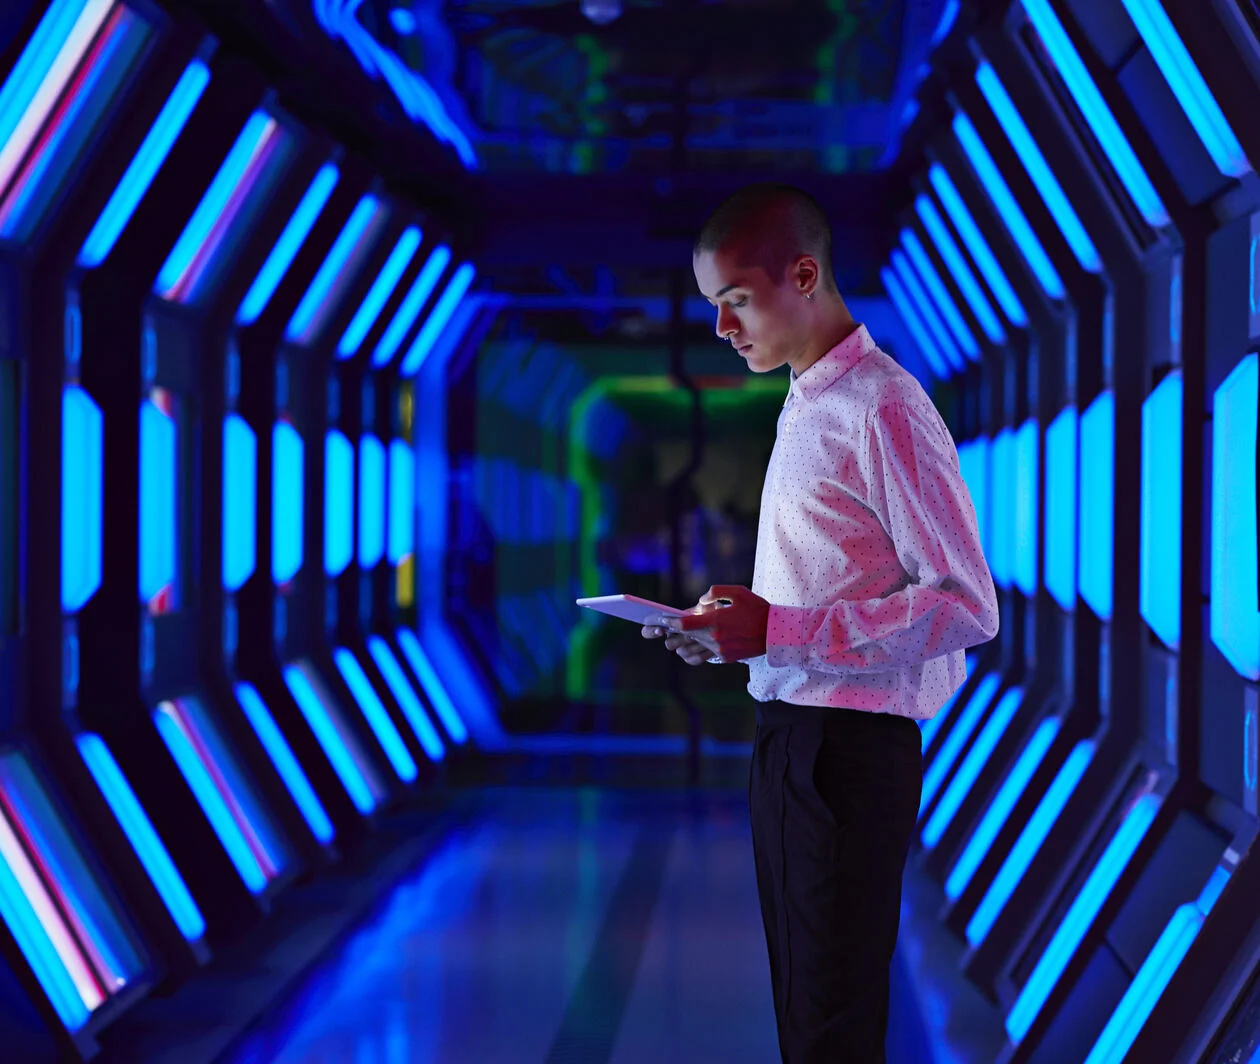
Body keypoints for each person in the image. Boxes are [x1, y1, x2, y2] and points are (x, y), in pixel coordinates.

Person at [642, 184, 999, 1063]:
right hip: (792, 736)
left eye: (735, 301)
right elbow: (823, 588)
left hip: (847, 754)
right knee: (807, 1011)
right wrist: (736, 628)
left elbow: (965, 604)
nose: (724, 329)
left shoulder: (884, 408)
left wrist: (783, 634)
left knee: (831, 1026)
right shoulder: (804, 399)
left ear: (803, 275)